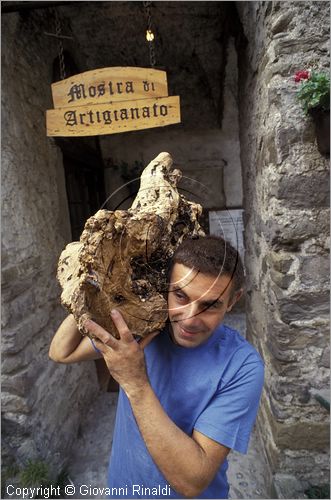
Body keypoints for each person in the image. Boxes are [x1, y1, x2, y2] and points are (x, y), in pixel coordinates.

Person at [49, 235, 264, 499]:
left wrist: (135, 382)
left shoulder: (242, 366)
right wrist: (96, 284)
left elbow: (192, 481)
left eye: (210, 305)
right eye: (181, 296)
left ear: (232, 301)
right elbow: (61, 351)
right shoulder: (139, 329)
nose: (190, 318)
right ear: (165, 288)